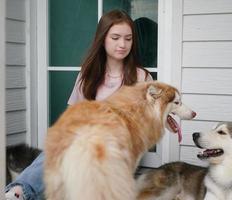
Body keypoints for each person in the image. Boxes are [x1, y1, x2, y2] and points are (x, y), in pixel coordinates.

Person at [5, 9, 152, 200]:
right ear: (103, 39)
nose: (122, 44)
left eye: (128, 38)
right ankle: (17, 193)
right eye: (115, 37)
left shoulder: (142, 78)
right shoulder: (88, 75)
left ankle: (19, 192)